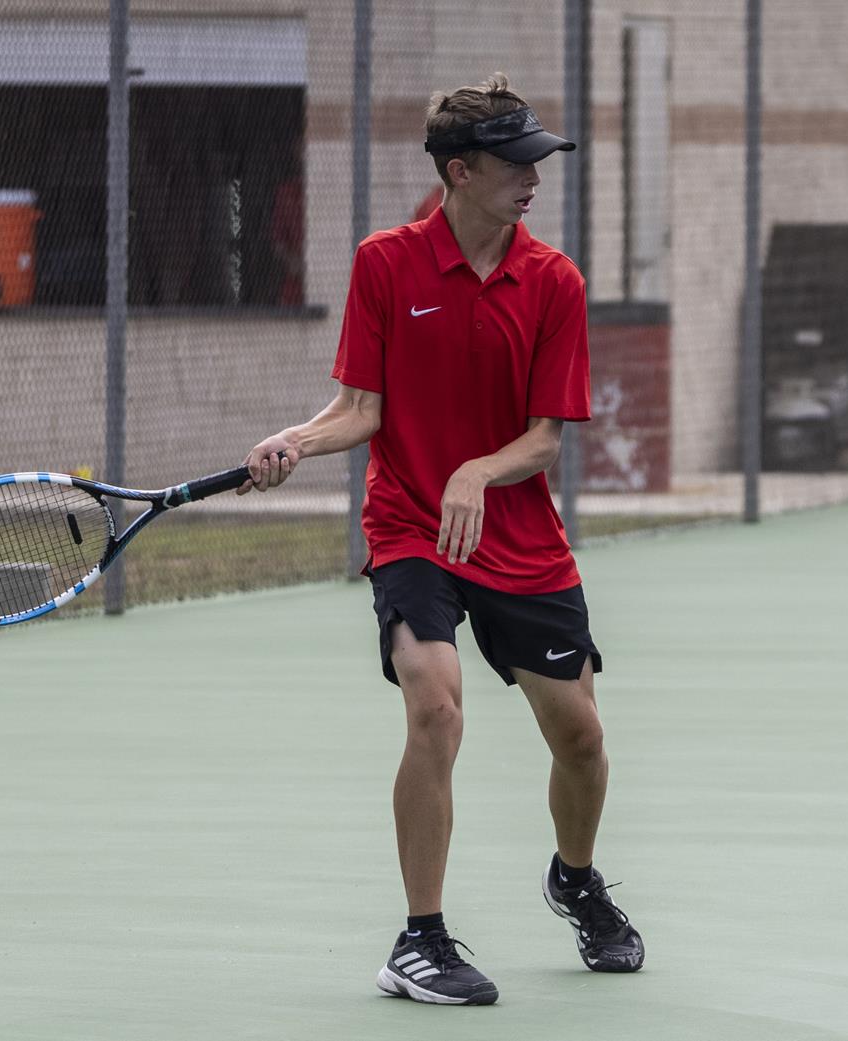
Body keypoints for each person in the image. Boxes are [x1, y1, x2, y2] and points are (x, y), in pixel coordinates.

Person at [239, 71, 642, 1006]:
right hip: (413, 526)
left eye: (538, 160)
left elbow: (545, 436)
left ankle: (574, 878)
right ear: (460, 172)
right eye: (515, 164)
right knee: (436, 706)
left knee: (579, 736)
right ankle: (420, 940)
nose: (534, 178)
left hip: (519, 536)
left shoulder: (554, 281)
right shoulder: (386, 264)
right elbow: (360, 410)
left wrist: (477, 469)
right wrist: (295, 441)